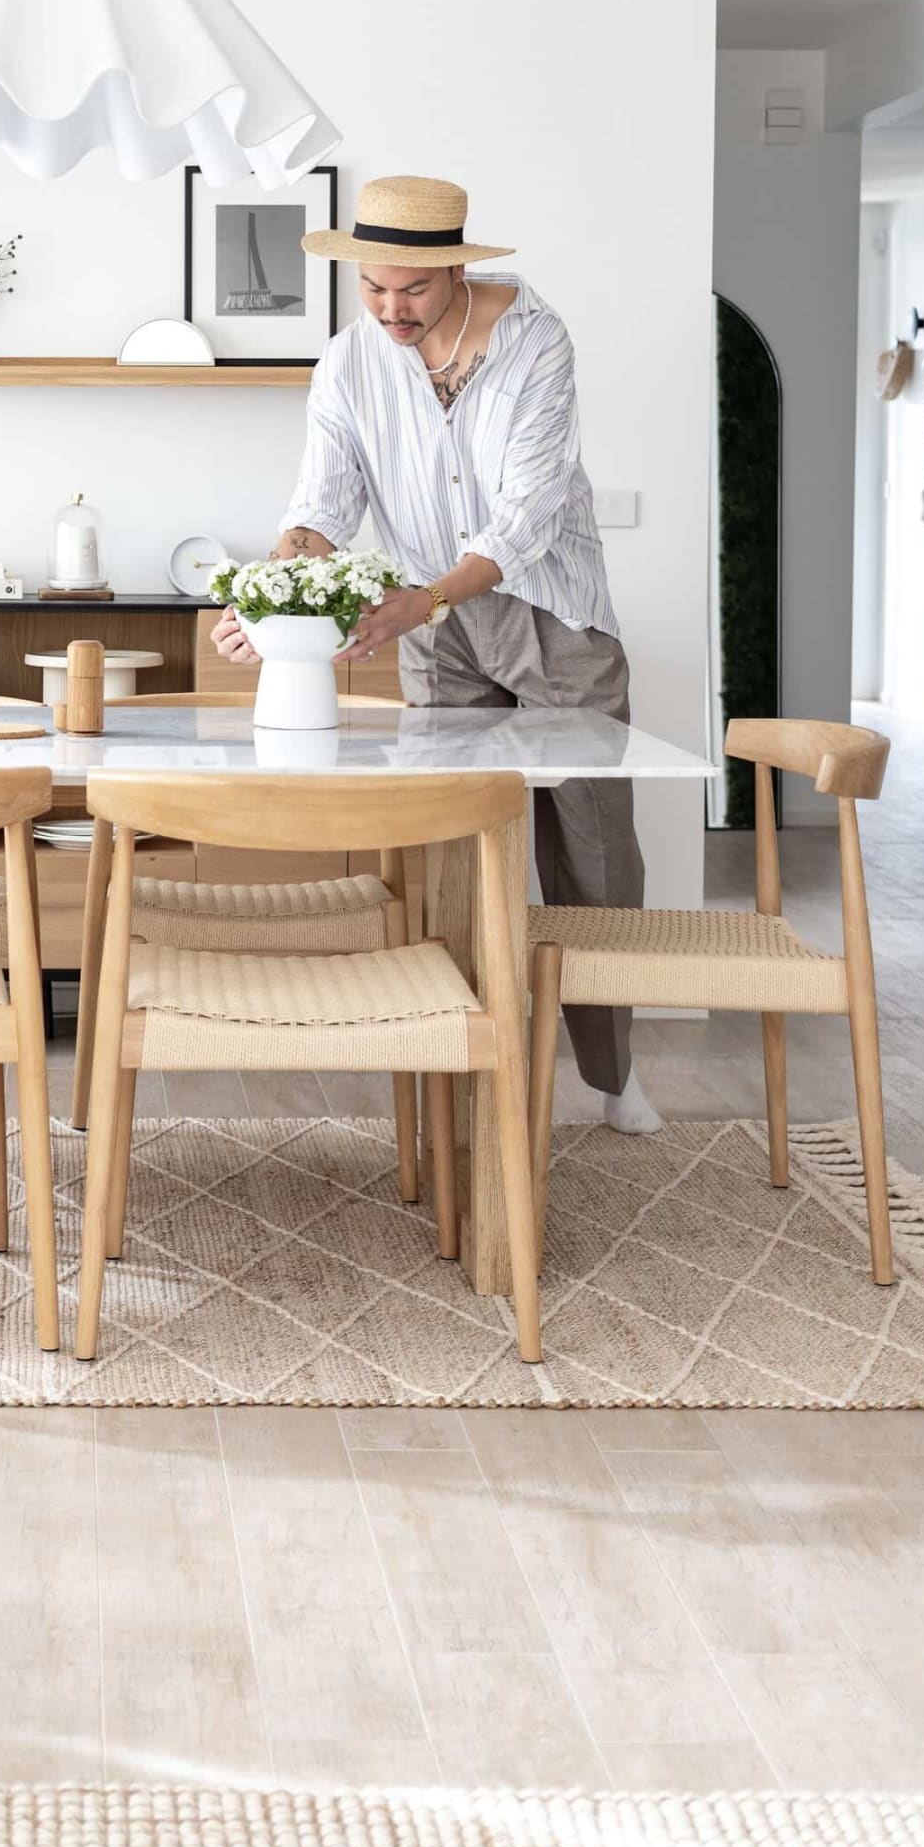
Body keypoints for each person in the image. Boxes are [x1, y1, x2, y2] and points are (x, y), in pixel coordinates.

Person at [212, 172, 659, 1132]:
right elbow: (322, 503)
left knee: (592, 847)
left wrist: (422, 599)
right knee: (454, 840)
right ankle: (460, 1064)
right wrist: (275, 591)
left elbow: (530, 514)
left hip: (553, 617)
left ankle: (615, 1076)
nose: (390, 309)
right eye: (373, 289)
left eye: (410, 290)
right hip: (438, 631)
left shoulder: (537, 339)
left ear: (455, 266)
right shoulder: (347, 362)